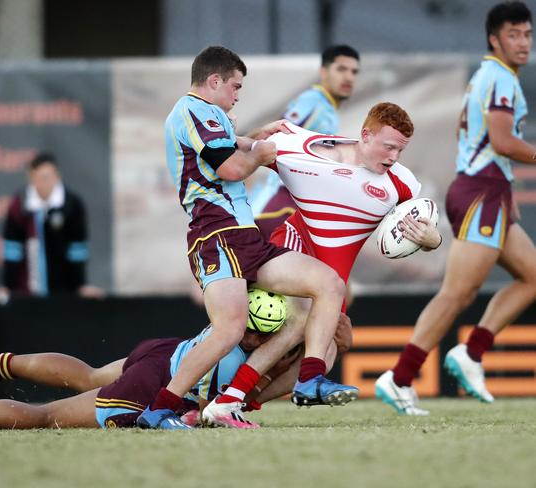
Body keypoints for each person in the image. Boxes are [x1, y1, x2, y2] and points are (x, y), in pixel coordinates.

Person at [137, 45, 357, 430]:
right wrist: (263, 152)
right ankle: (159, 409)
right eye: (235, 87)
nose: (238, 95)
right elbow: (233, 168)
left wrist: (256, 137)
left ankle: (309, 380)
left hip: (245, 237)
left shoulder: (207, 115)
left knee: (328, 284)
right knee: (229, 330)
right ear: (214, 80)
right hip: (216, 234)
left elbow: (230, 145)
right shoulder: (194, 109)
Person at [213, 103, 442, 419]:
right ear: (365, 135)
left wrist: (432, 240)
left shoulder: (402, 184)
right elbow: (240, 147)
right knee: (298, 323)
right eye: (389, 147)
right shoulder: (297, 145)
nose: (393, 157)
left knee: (335, 347)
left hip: (332, 277)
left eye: (400, 151)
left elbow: (422, 230)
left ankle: (244, 401)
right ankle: (228, 401)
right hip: (292, 247)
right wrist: (254, 132)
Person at [375, 1, 536, 415]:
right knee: (457, 293)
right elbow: (502, 142)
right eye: (514, 34)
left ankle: (472, 352)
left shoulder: (492, 76)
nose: (522, 42)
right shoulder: (500, 78)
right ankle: (399, 377)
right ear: (494, 39)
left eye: (527, 33)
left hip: (489, 190)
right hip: (482, 191)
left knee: (532, 277)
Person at [0, 288, 290, 431]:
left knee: (89, 374)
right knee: (45, 415)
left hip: (166, 351)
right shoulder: (241, 358)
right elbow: (210, 407)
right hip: (153, 387)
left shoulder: (233, 312)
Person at [251, 44, 360, 239]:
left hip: (292, 207)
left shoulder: (329, 111)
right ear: (323, 72)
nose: (349, 77)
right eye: (341, 69)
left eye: (354, 72)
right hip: (277, 206)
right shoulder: (313, 101)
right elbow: (275, 136)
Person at [0, 152, 103, 302]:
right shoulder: (19, 206)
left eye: (47, 177)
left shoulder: (72, 204)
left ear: (57, 177)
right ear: (30, 179)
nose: (43, 183)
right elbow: (12, 249)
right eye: (38, 178)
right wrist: (7, 286)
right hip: (27, 292)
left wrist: (81, 285)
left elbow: (77, 249)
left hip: (64, 291)